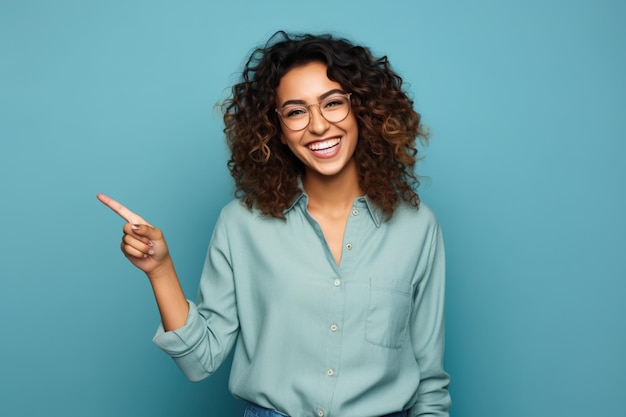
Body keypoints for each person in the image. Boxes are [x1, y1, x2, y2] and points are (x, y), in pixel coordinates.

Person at [98, 31, 451, 417]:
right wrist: (160, 271)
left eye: (333, 103)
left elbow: (429, 381)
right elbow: (200, 360)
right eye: (297, 111)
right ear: (277, 130)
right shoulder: (241, 224)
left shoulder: (417, 227)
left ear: (363, 111)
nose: (317, 126)